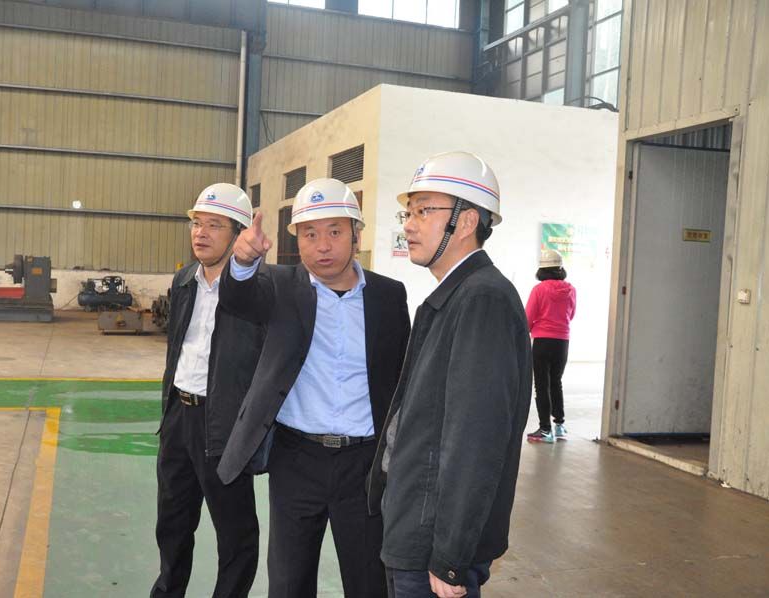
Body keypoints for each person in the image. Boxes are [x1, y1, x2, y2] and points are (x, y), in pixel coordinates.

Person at [216, 178, 411, 598]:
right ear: (297, 241)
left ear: (357, 235)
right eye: (309, 234)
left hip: (364, 465)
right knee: (289, 583)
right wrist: (243, 261)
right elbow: (237, 299)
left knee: (370, 583)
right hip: (296, 460)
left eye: (334, 232)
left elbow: (400, 379)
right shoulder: (279, 286)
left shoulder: (388, 296)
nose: (322, 246)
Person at [367, 151, 532, 598]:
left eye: (424, 211)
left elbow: (476, 440)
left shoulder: (482, 301)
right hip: (414, 524)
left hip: (432, 543)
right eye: (408, 212)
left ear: (466, 221)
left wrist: (451, 556)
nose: (409, 225)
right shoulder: (454, 296)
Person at [151, 183, 264, 598]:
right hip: (178, 418)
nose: (200, 233)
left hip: (223, 424)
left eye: (214, 225)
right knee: (172, 522)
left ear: (239, 234)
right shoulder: (184, 280)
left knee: (235, 533)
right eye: (197, 223)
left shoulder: (259, 288)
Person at [525, 249, 576, 444]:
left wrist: (529, 331)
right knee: (556, 382)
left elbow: (528, 317)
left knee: (541, 385)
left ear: (541, 269)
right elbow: (571, 314)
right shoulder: (571, 290)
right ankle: (559, 426)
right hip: (562, 342)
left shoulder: (539, 290)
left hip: (542, 341)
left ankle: (545, 430)